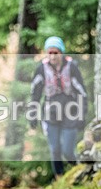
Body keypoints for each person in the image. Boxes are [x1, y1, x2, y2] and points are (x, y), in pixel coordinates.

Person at [29, 36, 88, 177]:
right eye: (50, 53)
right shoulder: (41, 69)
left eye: (56, 53)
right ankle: (59, 178)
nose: (53, 56)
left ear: (61, 53)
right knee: (55, 149)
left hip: (71, 112)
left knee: (68, 151)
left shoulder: (72, 67)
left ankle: (81, 173)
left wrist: (82, 115)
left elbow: (82, 93)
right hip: (51, 113)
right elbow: (35, 95)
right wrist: (32, 116)